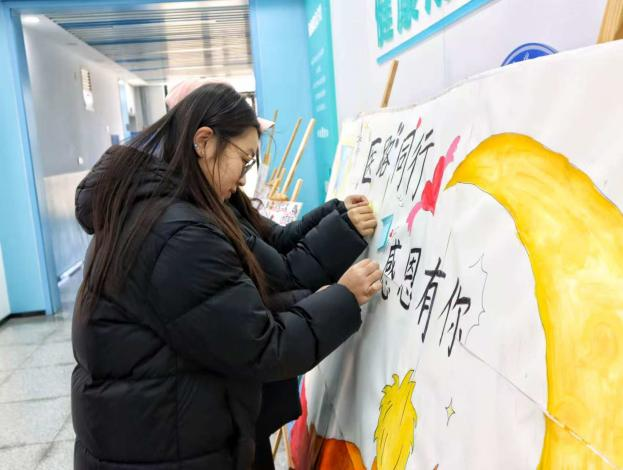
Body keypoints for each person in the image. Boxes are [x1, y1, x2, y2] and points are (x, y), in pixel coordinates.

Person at [72, 82, 382, 469]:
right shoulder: (177, 234)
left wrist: (318, 292)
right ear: (204, 141)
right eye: (244, 159)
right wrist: (342, 297)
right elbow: (261, 346)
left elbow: (224, 309)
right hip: (166, 445)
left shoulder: (160, 208)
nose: (244, 178)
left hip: (159, 431)